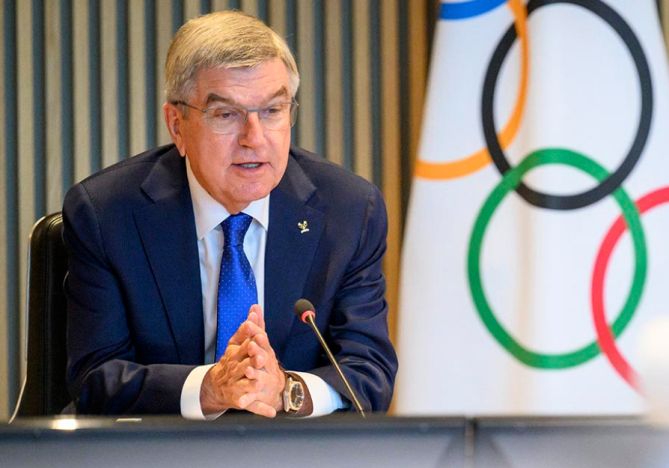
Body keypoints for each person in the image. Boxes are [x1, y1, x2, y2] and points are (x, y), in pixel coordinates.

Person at [63, 10, 397, 418]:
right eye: (226, 115)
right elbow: (95, 379)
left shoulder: (348, 211)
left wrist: (286, 391)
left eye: (272, 111)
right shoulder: (108, 215)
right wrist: (209, 388)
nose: (254, 138)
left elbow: (368, 373)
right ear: (177, 125)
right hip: (161, 447)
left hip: (297, 448)